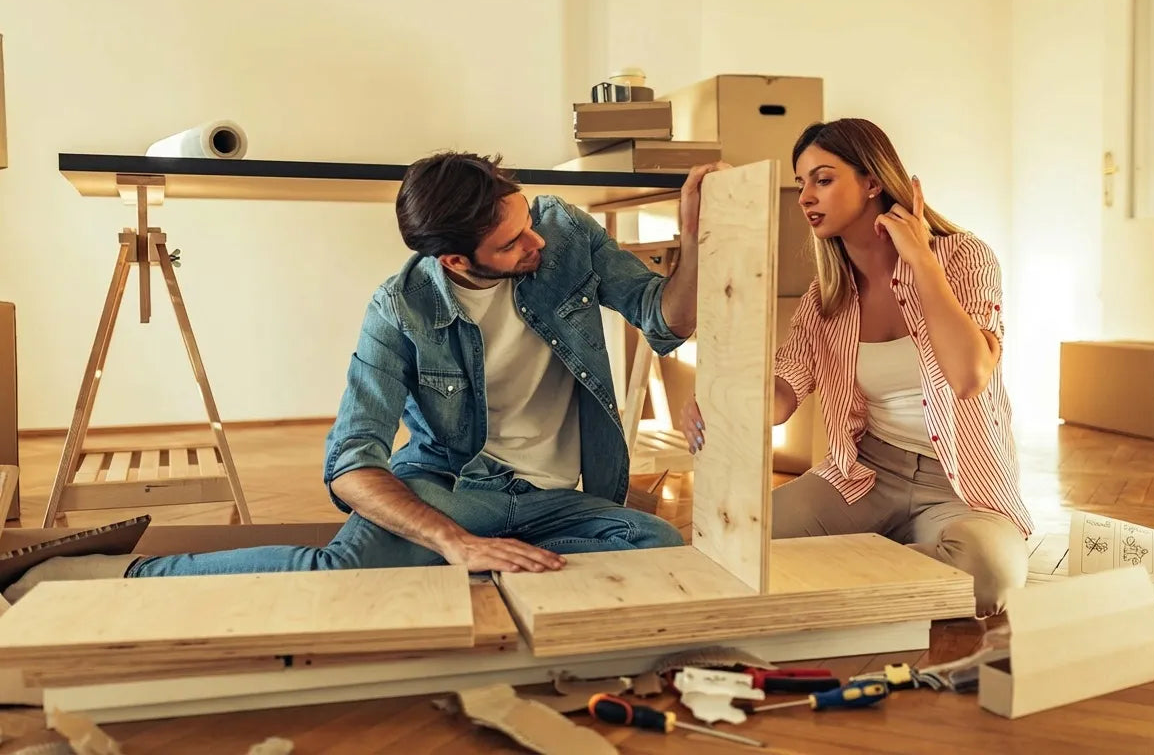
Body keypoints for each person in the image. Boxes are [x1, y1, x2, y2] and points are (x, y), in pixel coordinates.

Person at [5, 152, 721, 603]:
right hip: (456, 488)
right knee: (342, 573)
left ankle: (458, 573)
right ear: (456, 261)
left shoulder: (559, 231)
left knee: (659, 551)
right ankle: (113, 578)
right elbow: (351, 462)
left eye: (525, 220)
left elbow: (667, 320)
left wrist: (694, 239)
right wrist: (452, 539)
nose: (535, 241)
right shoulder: (400, 307)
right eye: (511, 243)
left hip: (561, 496)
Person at [683, 118, 1033, 618]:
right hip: (864, 474)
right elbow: (781, 398)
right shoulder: (824, 297)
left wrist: (922, 263)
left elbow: (969, 375)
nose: (805, 196)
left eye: (822, 180)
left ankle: (841, 572)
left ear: (872, 181)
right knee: (736, 538)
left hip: (961, 485)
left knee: (990, 573)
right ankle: (881, 574)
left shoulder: (964, 258)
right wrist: (717, 401)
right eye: (801, 182)